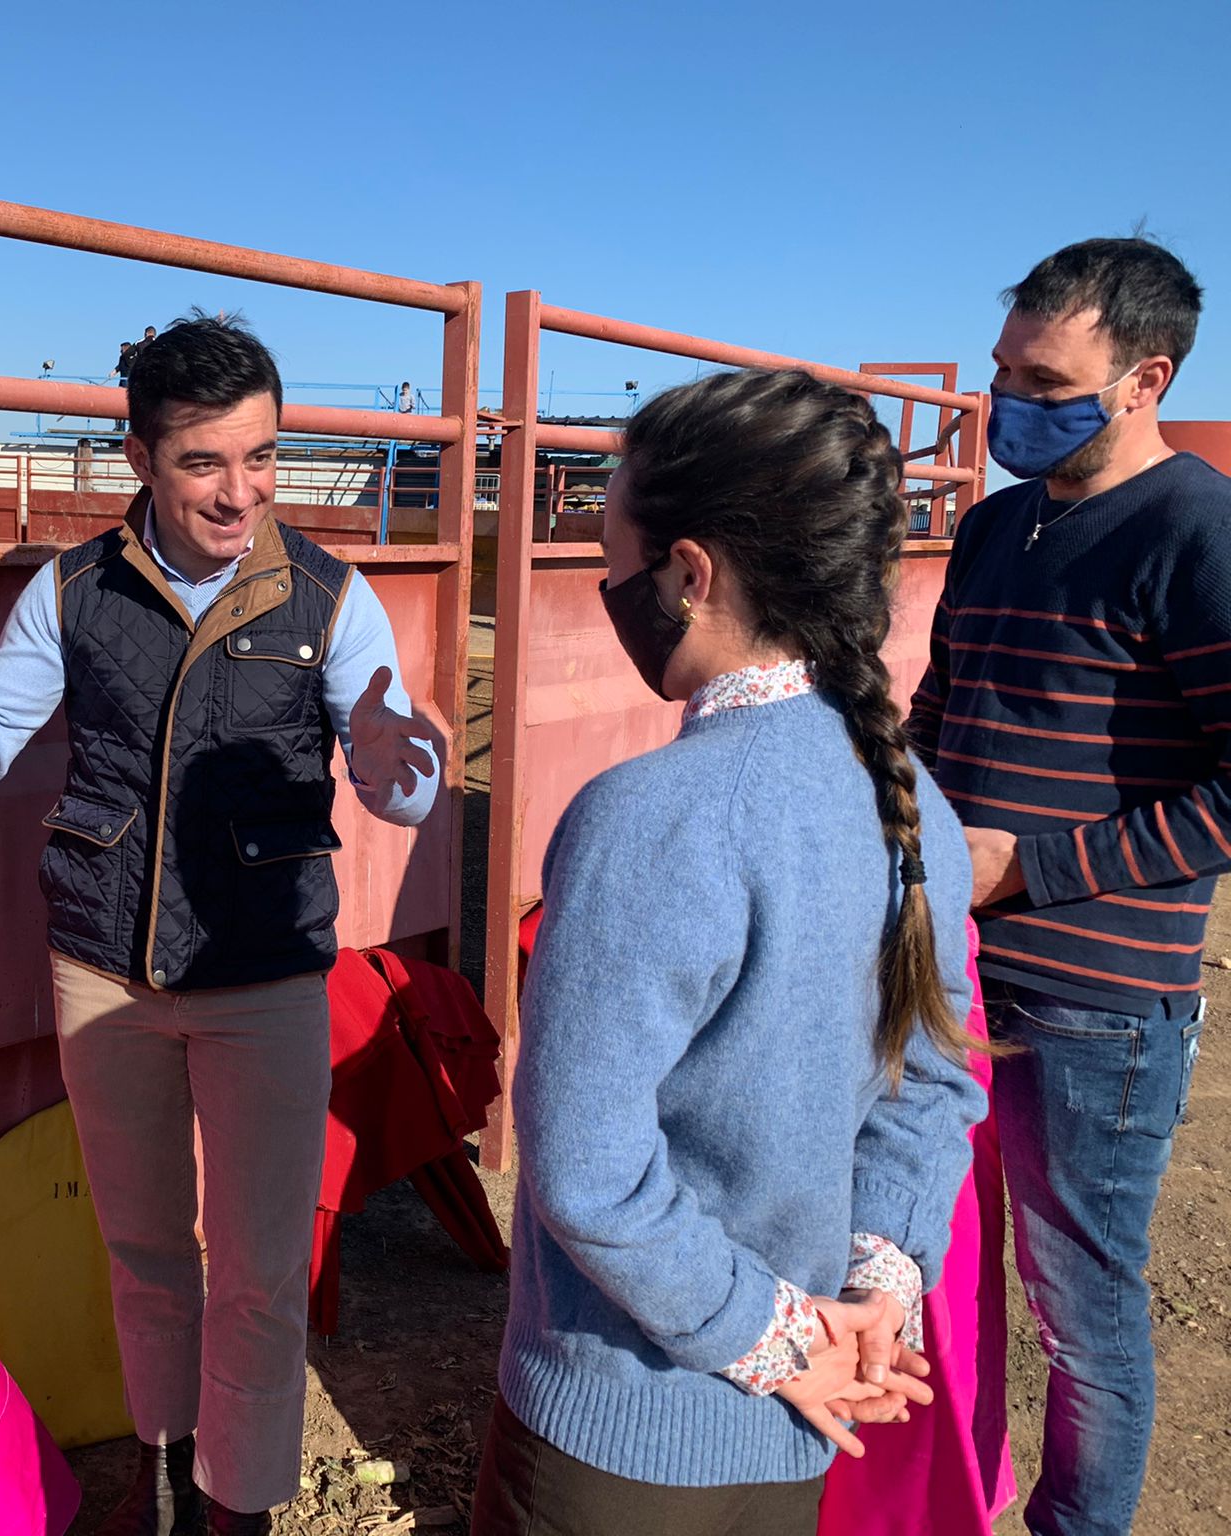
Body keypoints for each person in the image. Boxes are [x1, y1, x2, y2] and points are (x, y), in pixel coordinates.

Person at [0, 314, 444, 1535]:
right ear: (140, 458)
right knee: (144, 1251)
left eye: (262, 457)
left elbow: (396, 776)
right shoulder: (74, 590)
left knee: (260, 1276)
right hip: (104, 971)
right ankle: (164, 1467)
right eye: (205, 462)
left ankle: (238, 1508)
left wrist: (388, 761)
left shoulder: (329, 595)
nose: (240, 491)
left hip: (263, 982)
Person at [473, 368, 987, 1536]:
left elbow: (588, 1170)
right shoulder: (910, 798)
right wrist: (873, 1283)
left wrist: (767, 1334)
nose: (609, 589)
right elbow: (936, 1077)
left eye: (614, 557)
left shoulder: (649, 812)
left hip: (623, 1427)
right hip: (802, 1414)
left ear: (689, 572)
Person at [906, 236, 1224, 1536]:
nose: (1008, 406)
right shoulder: (993, 527)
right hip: (943, 974)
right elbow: (941, 714)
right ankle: (946, 1500)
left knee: (1081, 1312)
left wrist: (1026, 869)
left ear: (1145, 377)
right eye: (1001, 373)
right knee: (936, 1266)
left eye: (1044, 379)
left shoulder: (1195, 532)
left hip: (1093, 1009)